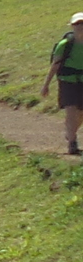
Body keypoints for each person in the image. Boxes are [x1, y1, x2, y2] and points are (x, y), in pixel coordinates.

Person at [44, 11, 83, 156]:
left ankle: (70, 132)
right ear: (72, 26)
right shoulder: (64, 45)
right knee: (71, 112)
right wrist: (46, 85)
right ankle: (72, 143)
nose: (81, 26)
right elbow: (55, 65)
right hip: (67, 82)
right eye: (77, 24)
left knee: (80, 114)